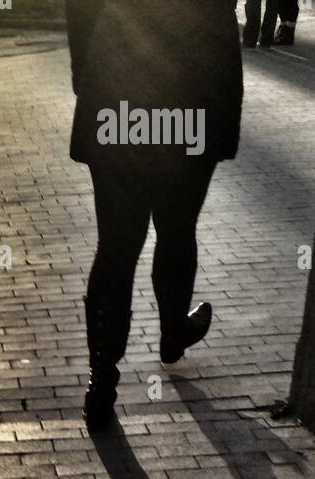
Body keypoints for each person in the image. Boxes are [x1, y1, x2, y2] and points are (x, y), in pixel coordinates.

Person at [66, 0, 243, 430]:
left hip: (119, 93)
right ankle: (172, 330)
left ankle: (102, 382)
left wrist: (87, 72)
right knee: (178, 227)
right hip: (192, 94)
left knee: (117, 245)